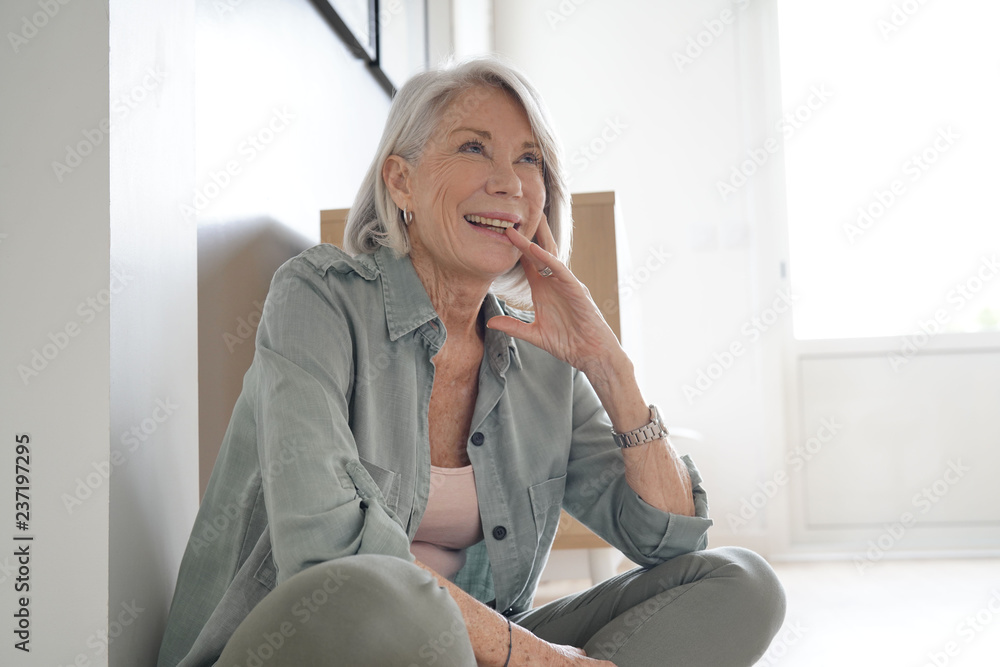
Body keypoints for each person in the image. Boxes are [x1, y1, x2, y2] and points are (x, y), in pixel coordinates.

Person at [157, 56, 785, 667]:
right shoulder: (318, 299)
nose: (509, 182)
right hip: (310, 643)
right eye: (473, 148)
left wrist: (610, 367)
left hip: (475, 651)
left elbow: (666, 540)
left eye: (528, 159)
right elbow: (328, 561)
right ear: (401, 181)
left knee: (740, 582)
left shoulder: (541, 359)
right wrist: (535, 658)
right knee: (390, 595)